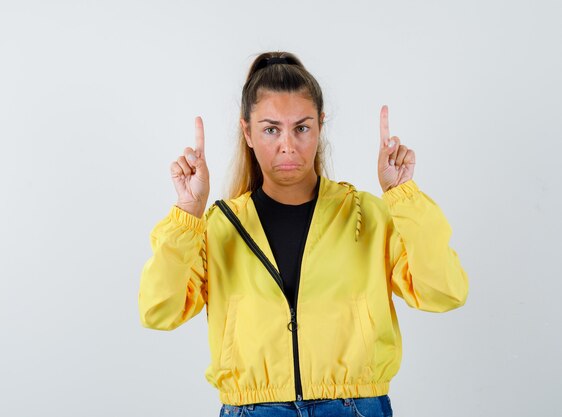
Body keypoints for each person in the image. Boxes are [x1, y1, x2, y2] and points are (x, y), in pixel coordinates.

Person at [138, 51, 469, 417]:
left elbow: (444, 293)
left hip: (355, 407)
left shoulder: (367, 215)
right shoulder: (219, 227)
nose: (288, 145)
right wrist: (188, 211)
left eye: (302, 127)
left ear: (320, 125)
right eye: (270, 129)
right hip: (252, 410)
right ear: (247, 131)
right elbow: (159, 311)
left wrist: (401, 195)